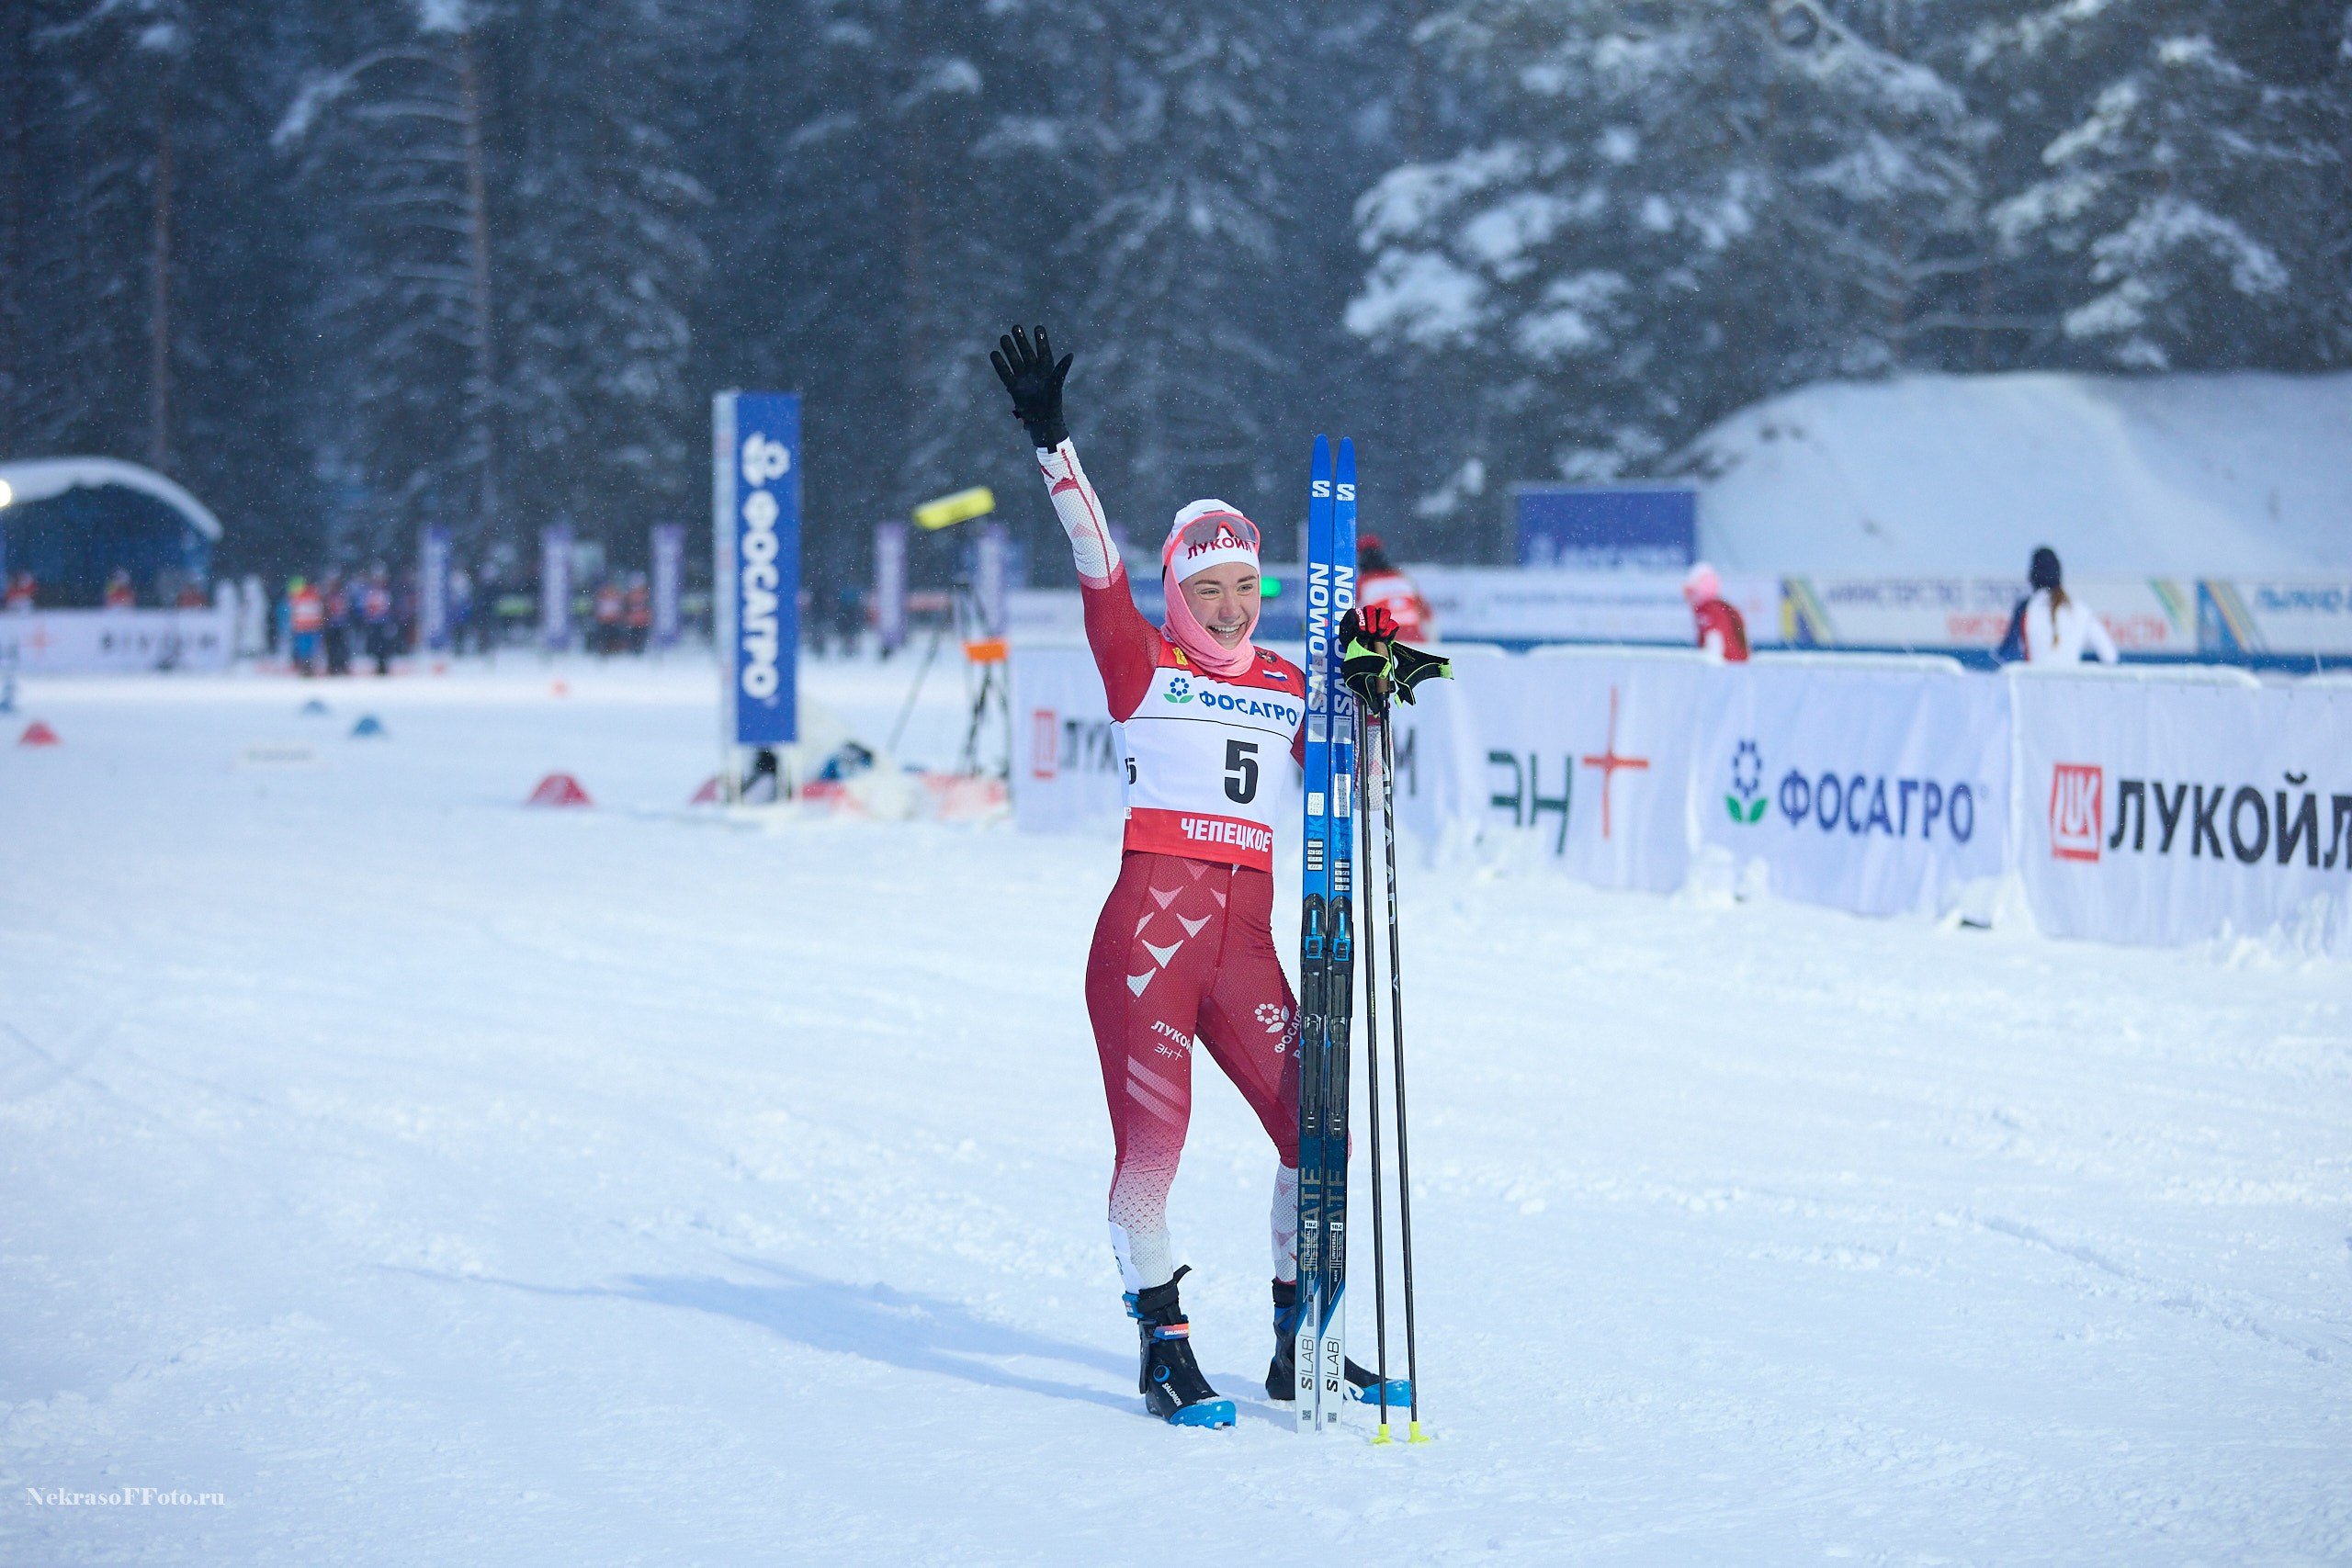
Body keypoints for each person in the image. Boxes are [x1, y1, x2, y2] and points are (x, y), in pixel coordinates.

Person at [991, 323, 1406, 1428]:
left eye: (1243, 587)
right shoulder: (1140, 660)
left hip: (1246, 945)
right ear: (1178, 591)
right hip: (1150, 940)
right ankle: (1162, 1347)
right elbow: (1095, 563)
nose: (1228, 606)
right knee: (1154, 1149)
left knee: (1318, 1133)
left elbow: (1351, 779)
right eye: (1208, 588)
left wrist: (1372, 694)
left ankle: (1299, 1341)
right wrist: (1053, 446)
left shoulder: (1286, 681)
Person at [2008, 546, 2118, 666]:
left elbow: (2006, 655)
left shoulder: (2026, 608)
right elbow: (2109, 656)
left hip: (2033, 678)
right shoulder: (2080, 609)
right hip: (2070, 677)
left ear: (2032, 576)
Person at [1356, 535, 1436, 642]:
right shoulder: (1403, 579)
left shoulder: (1362, 584)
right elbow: (1428, 617)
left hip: (1386, 644)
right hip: (1418, 642)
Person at [1683, 561, 1748, 662]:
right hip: (1739, 665)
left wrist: (1710, 664)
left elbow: (1714, 643)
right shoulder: (1724, 607)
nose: (1688, 599)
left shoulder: (1706, 609)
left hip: (1725, 666)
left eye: (1689, 592)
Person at [288, 577, 324, 675]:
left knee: (305, 648)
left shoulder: (299, 597)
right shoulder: (314, 596)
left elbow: (294, 611)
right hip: (308, 627)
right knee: (308, 648)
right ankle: (307, 666)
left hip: (304, 627)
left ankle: (306, 666)